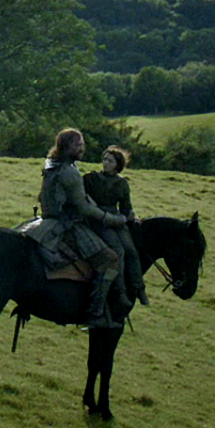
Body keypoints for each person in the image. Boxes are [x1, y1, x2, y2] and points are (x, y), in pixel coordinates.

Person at [18, 128, 126, 327]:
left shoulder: (51, 164)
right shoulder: (70, 171)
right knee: (110, 259)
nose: (82, 148)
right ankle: (95, 313)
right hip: (66, 225)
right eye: (78, 145)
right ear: (67, 146)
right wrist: (113, 219)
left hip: (46, 221)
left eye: (82, 144)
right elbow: (83, 209)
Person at [83, 146, 150, 307]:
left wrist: (130, 217)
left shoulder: (122, 183)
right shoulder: (91, 179)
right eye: (105, 159)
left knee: (131, 251)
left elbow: (126, 207)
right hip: (98, 219)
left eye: (110, 161)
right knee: (117, 251)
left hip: (117, 221)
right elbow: (83, 198)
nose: (105, 163)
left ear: (117, 164)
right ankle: (119, 291)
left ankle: (139, 288)